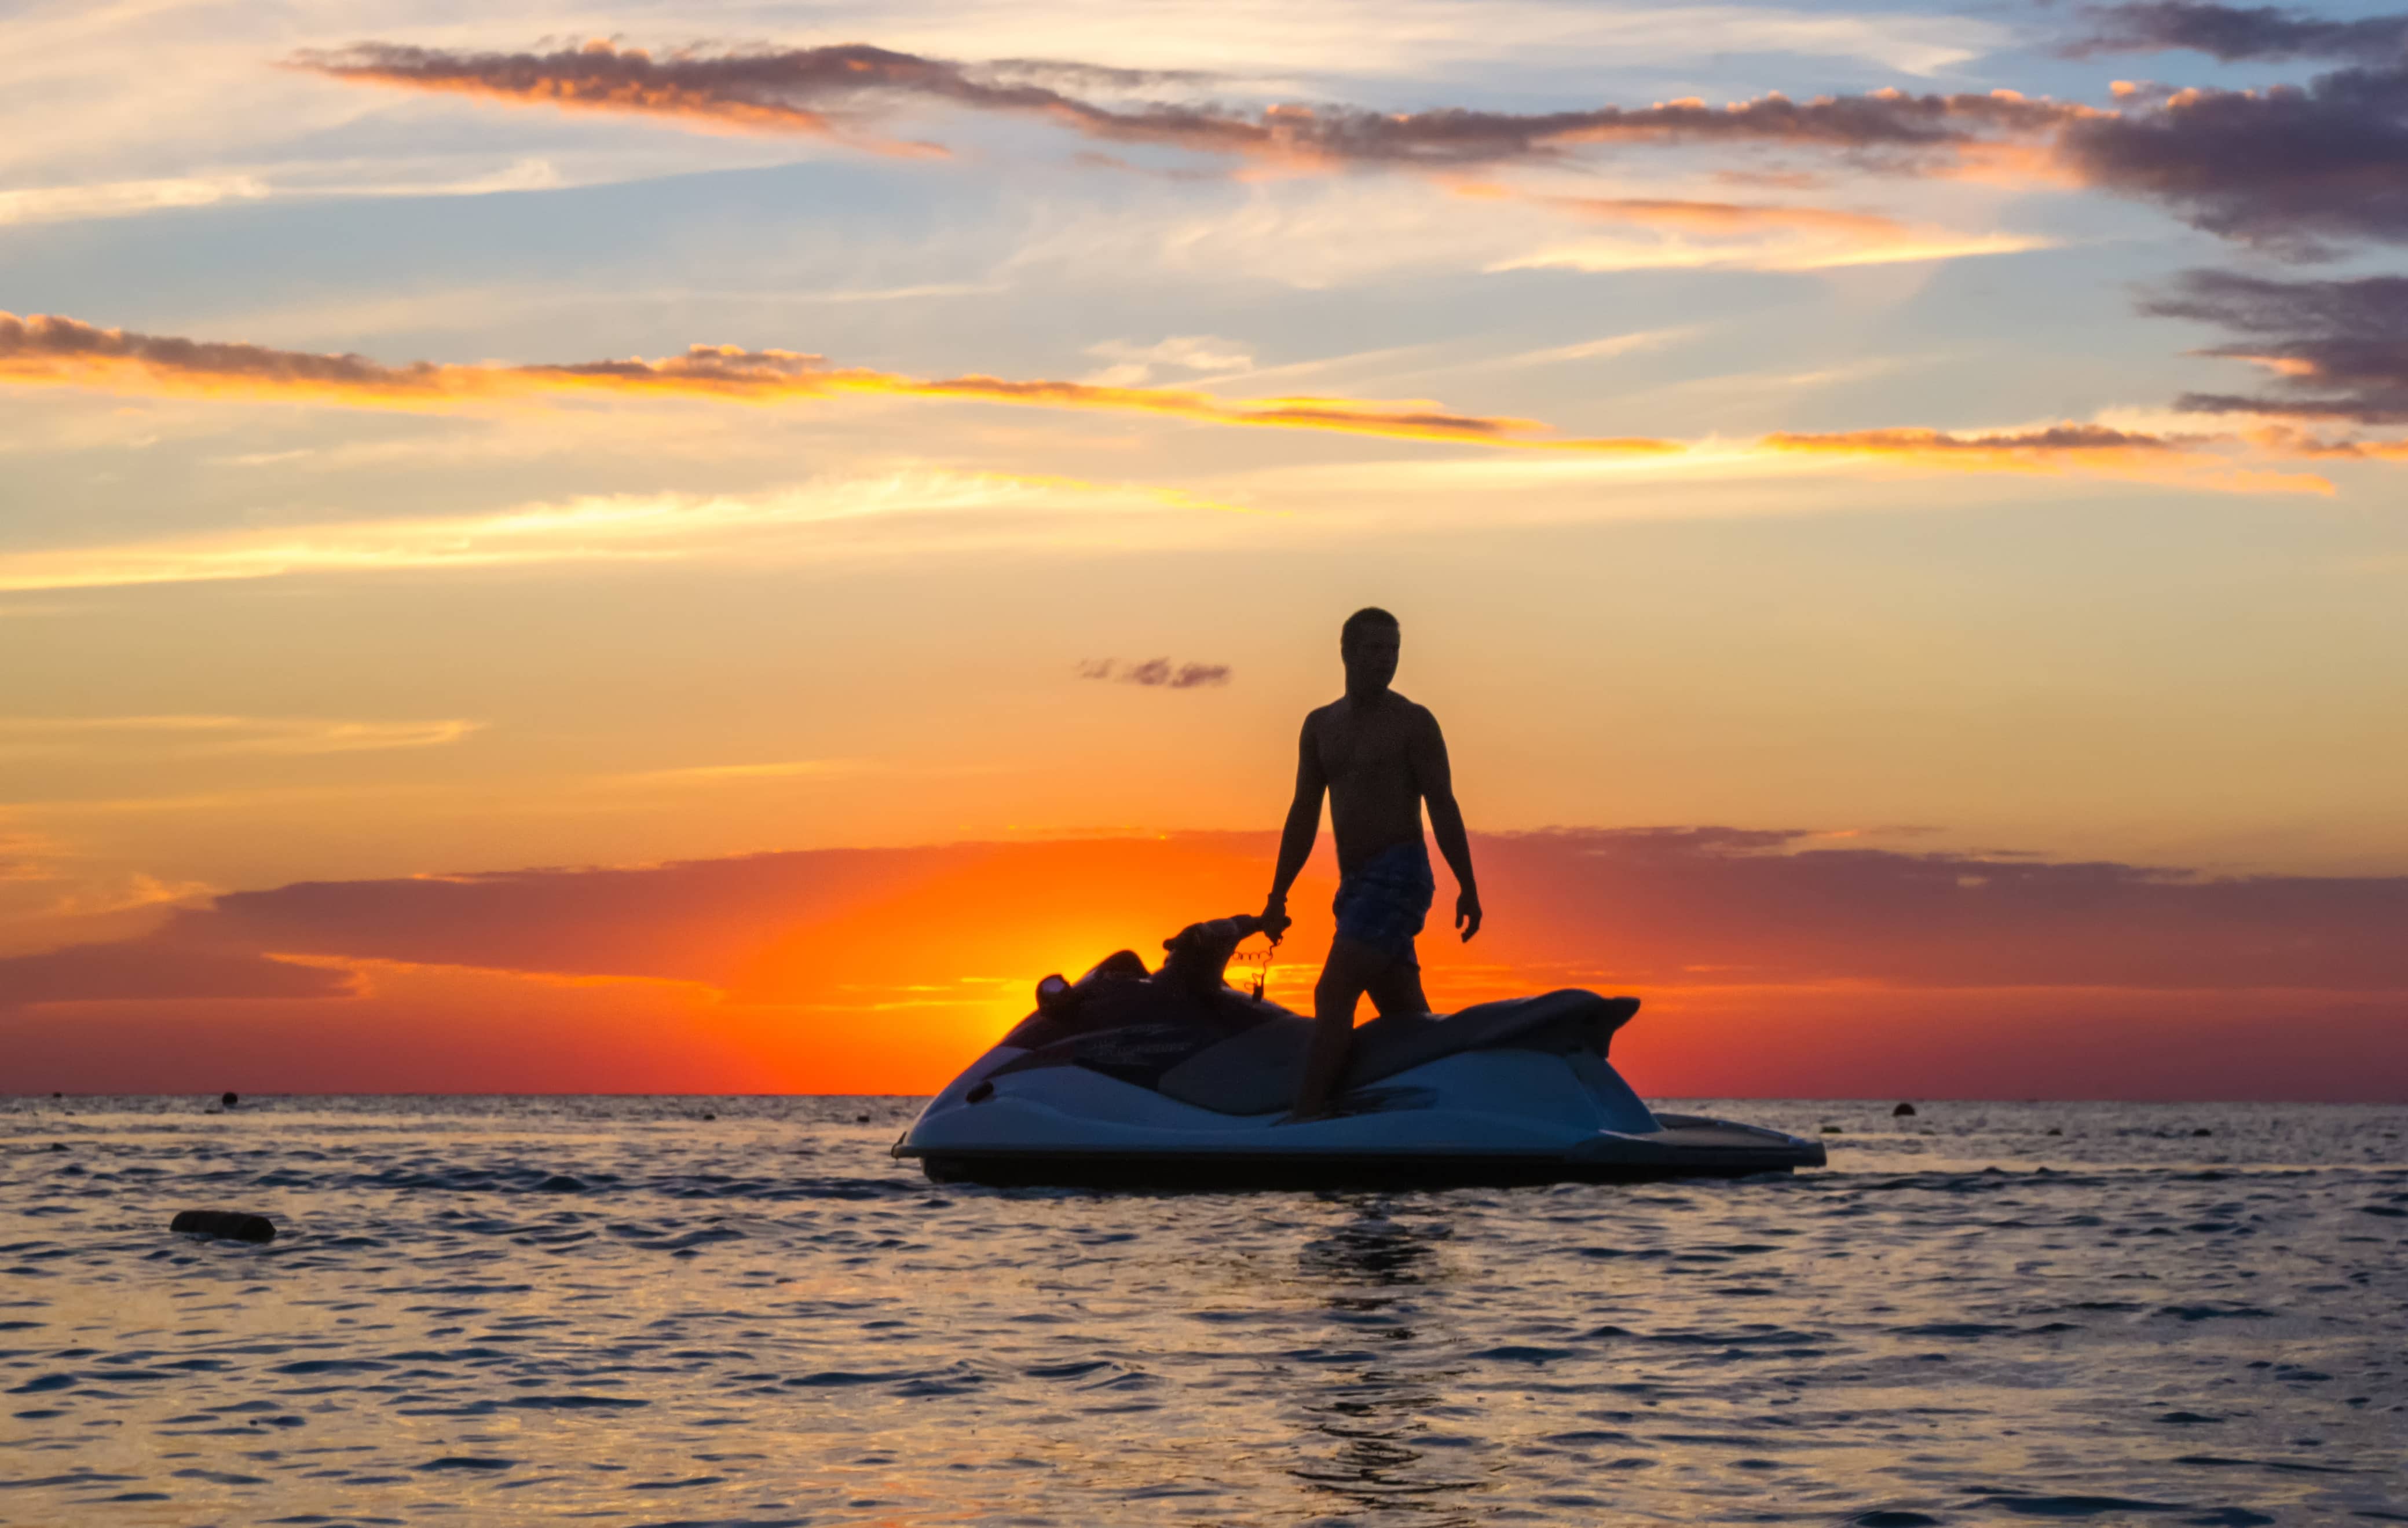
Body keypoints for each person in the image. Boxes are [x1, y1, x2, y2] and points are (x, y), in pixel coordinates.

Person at [1258, 606, 1481, 1120]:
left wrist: (1467, 885)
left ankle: (1306, 1117)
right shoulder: (1320, 727)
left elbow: (1443, 805)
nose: (1385, 661)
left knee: (1333, 992)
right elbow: (1303, 814)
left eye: (1393, 650)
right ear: (1347, 653)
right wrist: (1277, 894)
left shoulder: (1413, 723)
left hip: (1399, 875)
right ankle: (1449, 1104)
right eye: (1374, 649)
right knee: (1404, 1013)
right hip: (1356, 885)